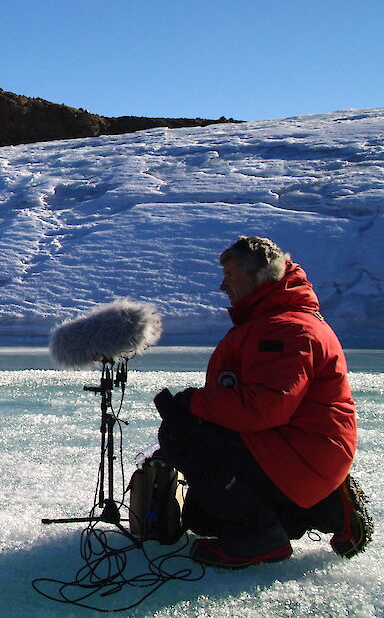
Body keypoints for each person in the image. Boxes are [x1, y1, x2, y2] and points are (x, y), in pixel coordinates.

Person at [154, 236, 373, 568]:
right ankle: (327, 506)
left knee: (181, 433)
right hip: (302, 450)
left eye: (229, 274)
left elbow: (263, 408)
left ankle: (260, 537)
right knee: (205, 519)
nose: (222, 285)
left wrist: (191, 405)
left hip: (302, 453)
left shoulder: (285, 330)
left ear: (258, 276)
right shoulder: (276, 320)